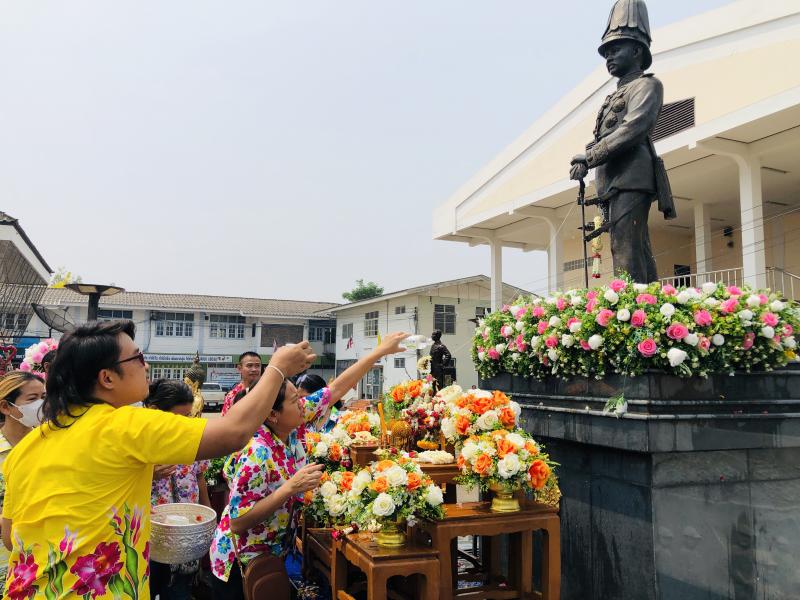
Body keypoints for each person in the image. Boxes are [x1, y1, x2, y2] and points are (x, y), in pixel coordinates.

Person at [1, 320, 314, 600]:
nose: (146, 365)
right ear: (107, 377)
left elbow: (10, 536)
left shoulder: (29, 446)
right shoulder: (122, 424)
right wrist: (276, 369)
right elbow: (234, 432)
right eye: (137, 358)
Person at [209, 332, 408, 600]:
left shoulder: (291, 428)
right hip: (240, 565)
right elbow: (237, 521)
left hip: (270, 555)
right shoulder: (257, 453)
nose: (302, 405)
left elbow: (335, 389)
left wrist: (378, 352)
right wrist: (290, 489)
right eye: (294, 400)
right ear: (272, 414)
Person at [145, 379, 212, 600]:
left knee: (180, 590)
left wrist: (208, 513)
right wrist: (149, 475)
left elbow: (200, 474)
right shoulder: (139, 441)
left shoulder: (191, 438)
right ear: (155, 411)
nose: (185, 423)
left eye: (188, 416)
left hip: (187, 531)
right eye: (178, 417)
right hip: (153, 533)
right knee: (151, 585)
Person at [0, 372, 46, 594]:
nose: (41, 404)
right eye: (32, 398)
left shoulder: (50, 444)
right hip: (5, 557)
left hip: (44, 555)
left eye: (44, 396)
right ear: (5, 407)